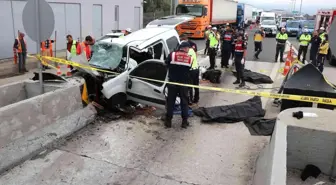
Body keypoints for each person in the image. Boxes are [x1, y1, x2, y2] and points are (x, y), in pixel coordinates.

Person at [164, 42, 192, 129]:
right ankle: (184, 122)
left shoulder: (172, 55)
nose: (188, 50)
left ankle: (168, 121)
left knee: (170, 102)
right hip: (183, 84)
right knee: (184, 103)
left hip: (172, 83)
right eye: (188, 48)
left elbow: (166, 64)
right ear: (184, 48)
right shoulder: (189, 58)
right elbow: (189, 69)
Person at [180, 34, 199, 105]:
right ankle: (196, 99)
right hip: (196, 69)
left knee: (190, 86)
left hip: (191, 71)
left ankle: (190, 100)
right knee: (196, 85)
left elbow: (187, 62)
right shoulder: (192, 50)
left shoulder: (188, 52)